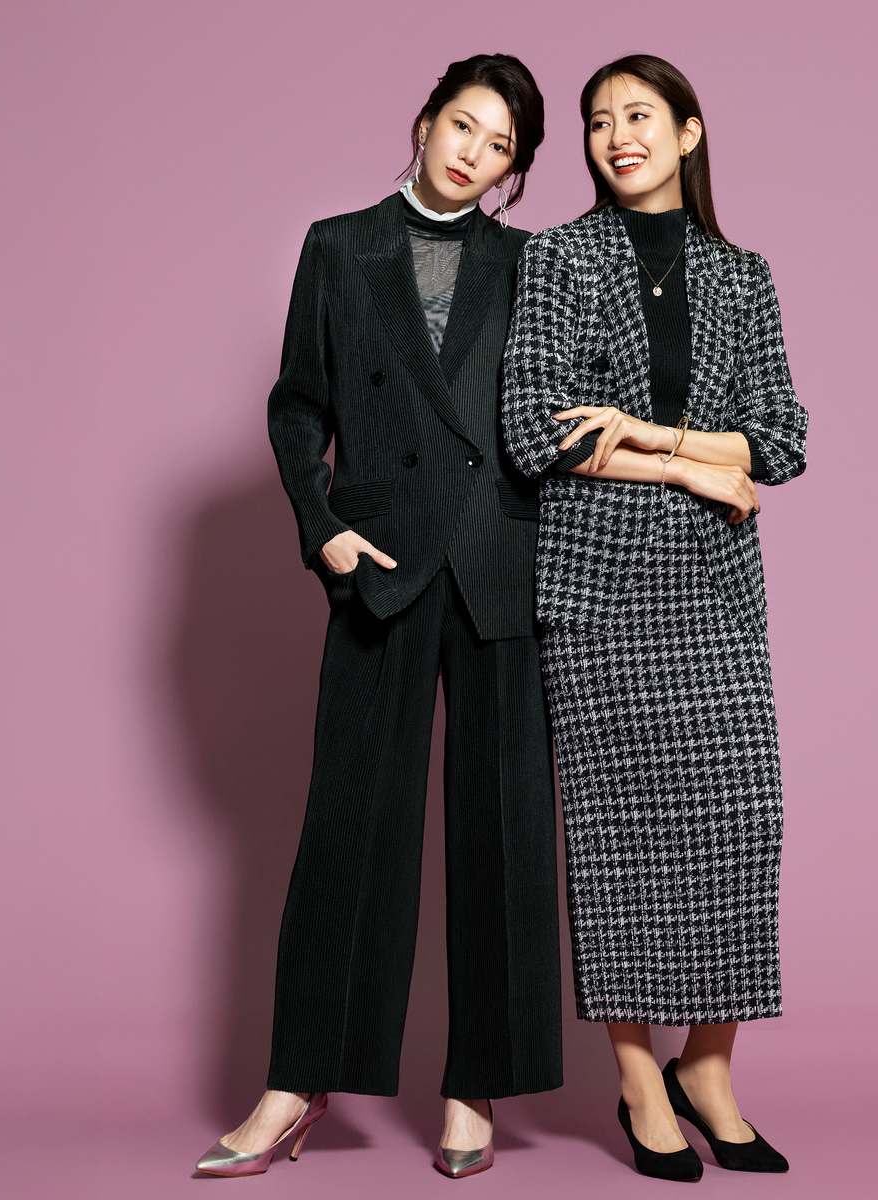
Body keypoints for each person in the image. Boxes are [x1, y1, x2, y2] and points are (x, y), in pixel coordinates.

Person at [196, 54, 560, 1181]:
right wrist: (324, 530)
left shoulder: (528, 261)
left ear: (512, 171)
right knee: (350, 829)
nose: (474, 155)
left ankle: (475, 1085)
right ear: (425, 119)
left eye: (500, 147)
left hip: (496, 561)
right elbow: (298, 405)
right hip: (383, 559)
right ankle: (296, 1083)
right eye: (464, 126)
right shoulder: (339, 245)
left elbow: (548, 410)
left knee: (501, 832)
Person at [501, 54, 807, 1182]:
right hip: (596, 585)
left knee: (743, 813)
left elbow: (781, 440)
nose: (616, 135)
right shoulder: (558, 257)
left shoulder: (743, 274)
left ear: (688, 132)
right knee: (618, 834)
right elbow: (535, 429)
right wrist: (691, 468)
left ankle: (708, 1067)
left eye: (638, 115)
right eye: (597, 121)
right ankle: (640, 1081)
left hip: (714, 586)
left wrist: (652, 435)